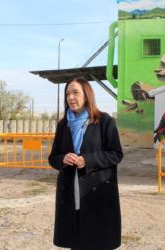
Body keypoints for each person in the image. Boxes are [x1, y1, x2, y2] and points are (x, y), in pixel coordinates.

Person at [48, 77, 123, 250]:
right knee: (76, 240)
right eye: (67, 94)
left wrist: (87, 160)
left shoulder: (105, 122)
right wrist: (63, 159)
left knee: (97, 241)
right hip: (70, 193)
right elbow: (53, 158)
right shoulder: (63, 125)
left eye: (75, 93)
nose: (70, 98)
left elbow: (116, 154)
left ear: (87, 95)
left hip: (96, 193)